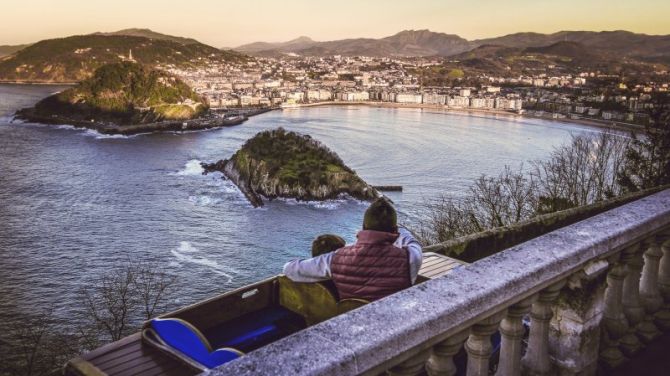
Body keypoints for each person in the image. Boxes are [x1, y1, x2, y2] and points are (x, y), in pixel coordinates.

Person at [283, 198, 422, 301]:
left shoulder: (336, 258)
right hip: (395, 326)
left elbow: (289, 269)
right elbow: (411, 241)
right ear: (394, 230)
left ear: (363, 226)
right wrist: (397, 230)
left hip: (352, 328)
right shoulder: (410, 258)